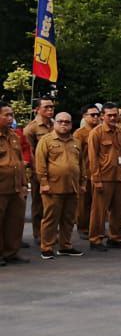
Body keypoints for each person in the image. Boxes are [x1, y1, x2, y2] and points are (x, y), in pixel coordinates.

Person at [87, 103, 121, 251]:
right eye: (109, 115)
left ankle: (115, 237)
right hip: (104, 177)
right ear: (102, 116)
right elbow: (93, 158)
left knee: (118, 210)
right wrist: (96, 179)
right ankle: (95, 239)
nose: (113, 117)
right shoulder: (96, 133)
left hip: (118, 177)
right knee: (99, 211)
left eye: (115, 115)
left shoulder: (120, 132)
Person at [0, 102, 30, 264]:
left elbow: (19, 160)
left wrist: (24, 184)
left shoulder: (15, 136)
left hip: (16, 187)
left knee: (15, 221)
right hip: (1, 187)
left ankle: (11, 253)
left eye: (12, 114)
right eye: (6, 115)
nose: (11, 118)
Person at [24, 96, 56, 243]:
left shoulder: (55, 124)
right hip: (39, 170)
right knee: (39, 203)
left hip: (55, 170)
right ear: (37, 109)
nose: (50, 110)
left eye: (52, 107)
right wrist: (39, 174)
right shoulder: (31, 128)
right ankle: (38, 233)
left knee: (53, 203)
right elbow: (29, 152)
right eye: (46, 107)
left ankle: (51, 232)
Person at [74, 105, 101, 240]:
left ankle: (96, 228)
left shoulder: (102, 131)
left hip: (101, 172)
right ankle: (83, 228)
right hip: (86, 171)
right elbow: (76, 155)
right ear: (84, 116)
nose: (96, 117)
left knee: (99, 203)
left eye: (97, 114)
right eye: (92, 115)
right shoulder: (79, 134)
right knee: (84, 203)